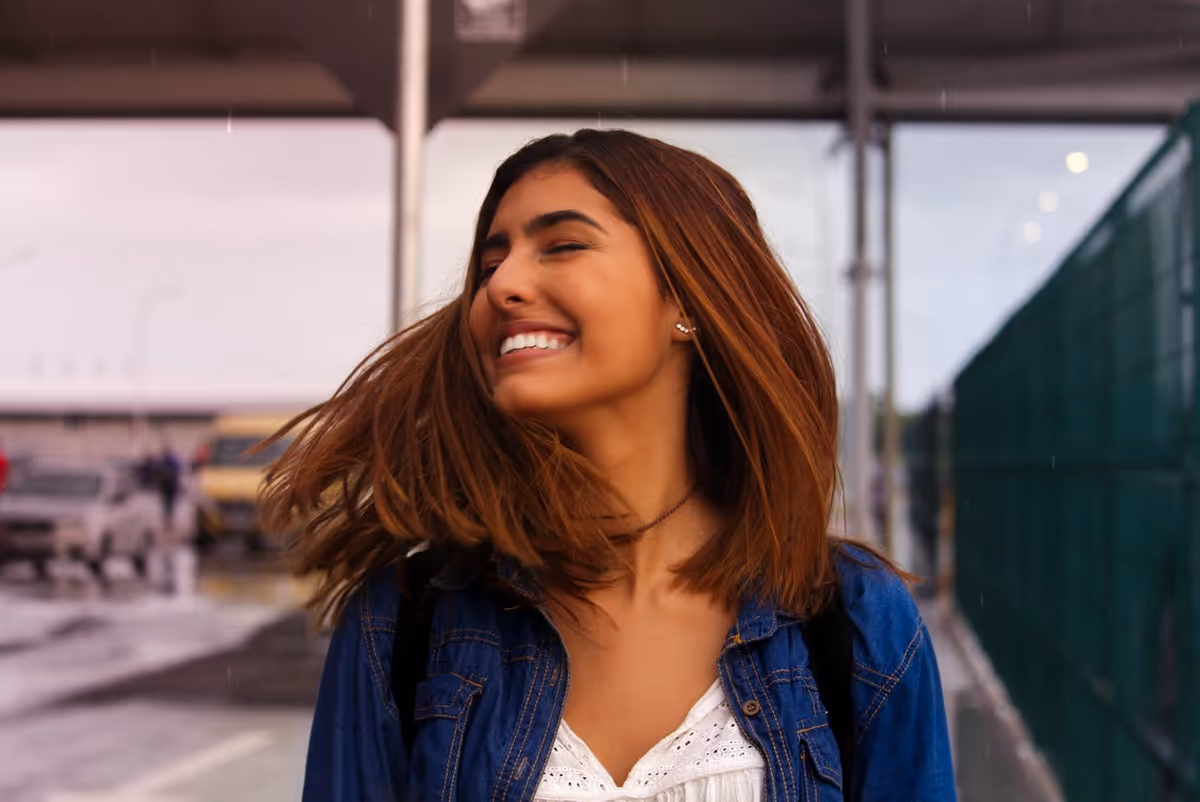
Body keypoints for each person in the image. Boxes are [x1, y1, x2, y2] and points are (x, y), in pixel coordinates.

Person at [261, 130, 955, 802]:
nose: (502, 284)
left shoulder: (851, 621)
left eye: (561, 245)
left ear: (688, 301)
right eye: (491, 261)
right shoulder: (402, 623)